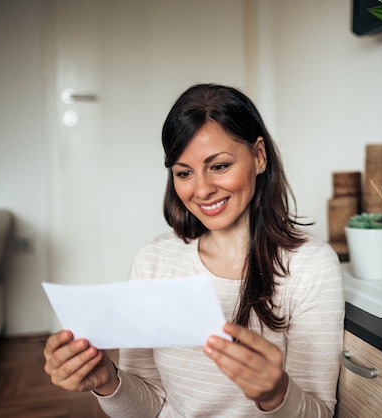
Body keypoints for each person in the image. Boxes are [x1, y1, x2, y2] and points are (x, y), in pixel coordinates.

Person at [43, 84, 345, 417]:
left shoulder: (311, 266)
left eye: (219, 166)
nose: (201, 189)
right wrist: (107, 381)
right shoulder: (153, 261)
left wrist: (277, 394)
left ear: (259, 156)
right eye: (184, 173)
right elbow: (148, 409)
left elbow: (319, 412)